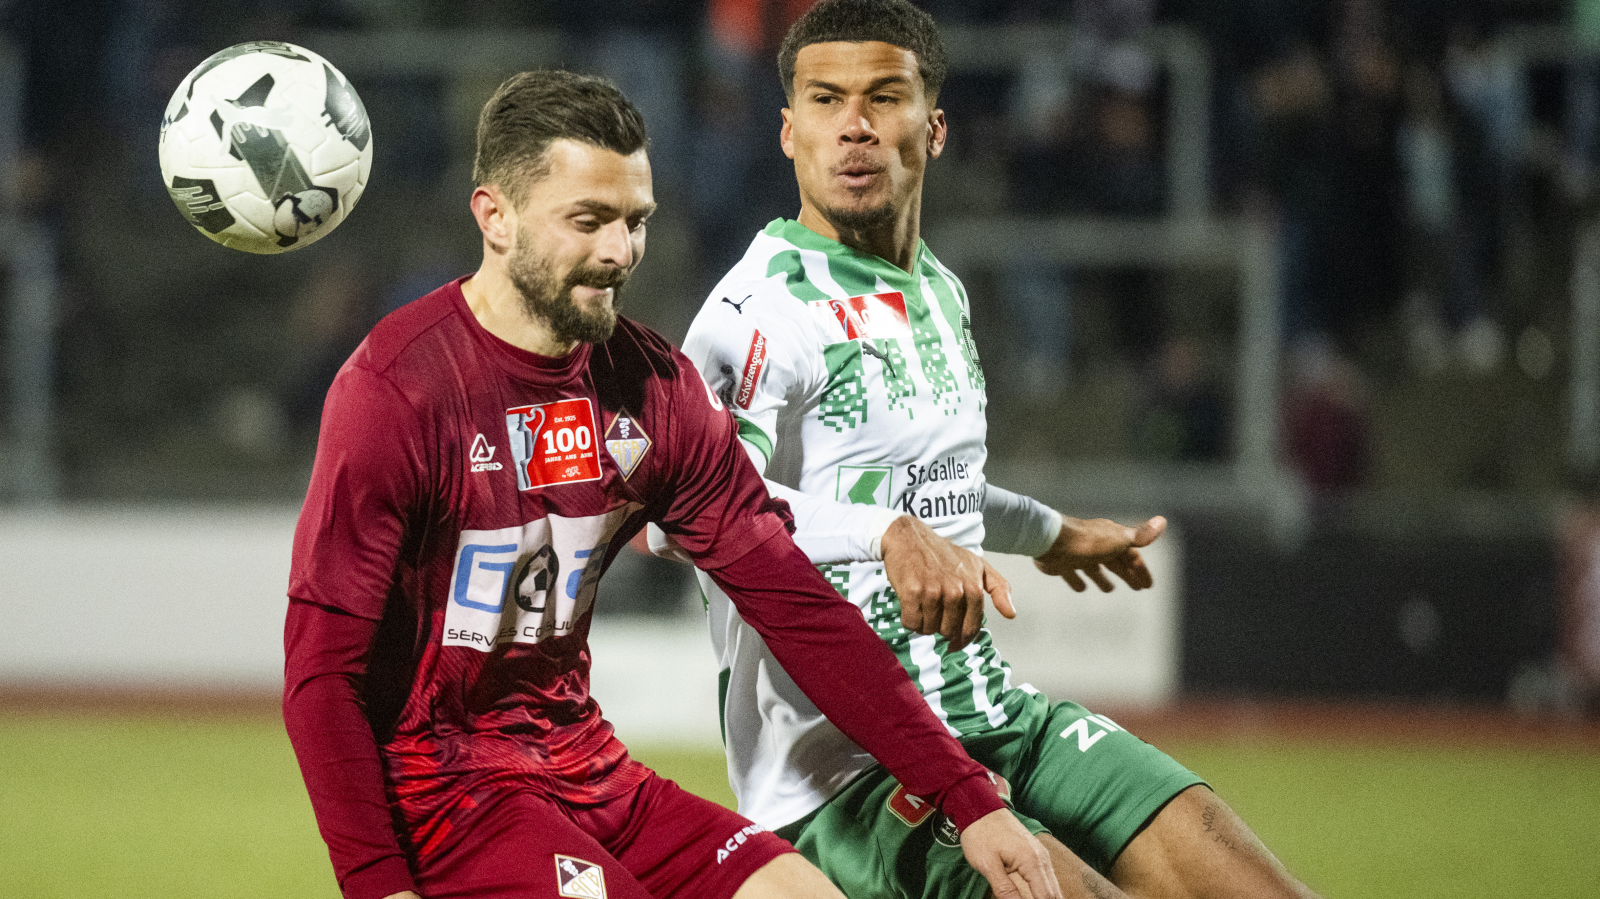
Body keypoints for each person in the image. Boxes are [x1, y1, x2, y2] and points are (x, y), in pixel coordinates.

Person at [281, 69, 1062, 899]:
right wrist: (377, 886)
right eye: (588, 221)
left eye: (635, 221)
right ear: (495, 216)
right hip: (446, 791)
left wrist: (967, 795)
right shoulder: (397, 390)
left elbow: (792, 601)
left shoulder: (651, 388)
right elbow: (322, 673)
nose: (619, 252)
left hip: (588, 768)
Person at [674, 2, 1325, 897]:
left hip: (993, 713)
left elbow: (941, 488)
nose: (855, 125)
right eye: (825, 100)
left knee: (1245, 874)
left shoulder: (940, 288)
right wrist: (885, 536)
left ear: (935, 128)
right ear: (788, 132)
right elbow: (689, 516)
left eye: (884, 97)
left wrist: (1052, 532)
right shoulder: (754, 313)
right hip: (843, 769)